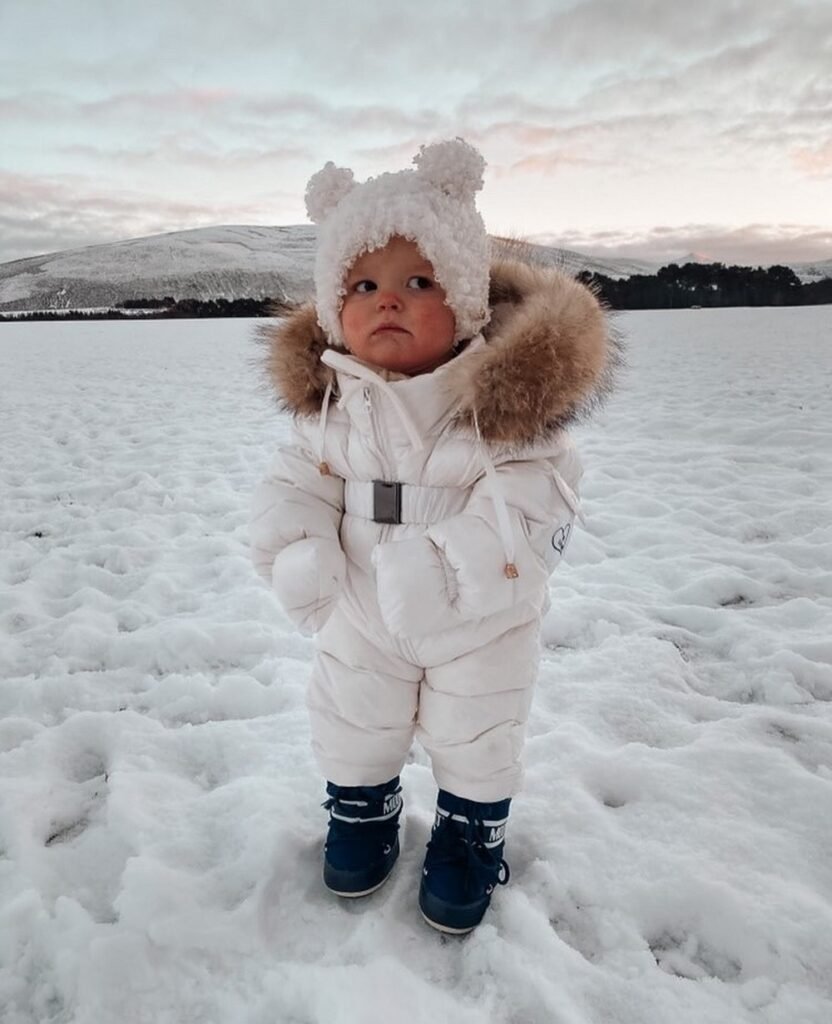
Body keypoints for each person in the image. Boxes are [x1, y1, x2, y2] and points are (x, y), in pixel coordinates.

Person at [250, 139, 615, 934]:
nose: (390, 300)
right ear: (334, 311)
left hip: (478, 622)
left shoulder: (501, 407)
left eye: (420, 281)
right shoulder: (333, 407)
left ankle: (471, 829)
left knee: (479, 726)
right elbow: (294, 482)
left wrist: (447, 572)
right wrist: (297, 549)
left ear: (467, 301)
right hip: (358, 608)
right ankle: (362, 805)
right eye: (364, 285)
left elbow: (536, 504)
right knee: (353, 714)